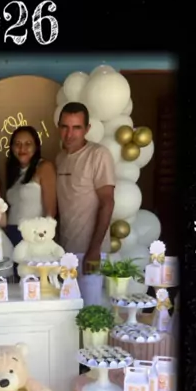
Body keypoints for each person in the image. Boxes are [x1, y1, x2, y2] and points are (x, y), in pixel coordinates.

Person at [56, 102, 115, 274]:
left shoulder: (98, 154)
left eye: (76, 128)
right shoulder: (60, 158)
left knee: (91, 294)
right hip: (65, 251)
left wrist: (95, 249)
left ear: (87, 129)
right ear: (58, 127)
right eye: (65, 127)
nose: (69, 134)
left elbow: (107, 202)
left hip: (90, 253)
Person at [5, 125, 58, 248]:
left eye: (28, 144)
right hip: (11, 233)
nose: (22, 148)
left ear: (36, 146)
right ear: (12, 148)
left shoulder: (44, 167)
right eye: (17, 144)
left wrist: (44, 239)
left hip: (33, 235)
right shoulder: (13, 171)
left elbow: (51, 211)